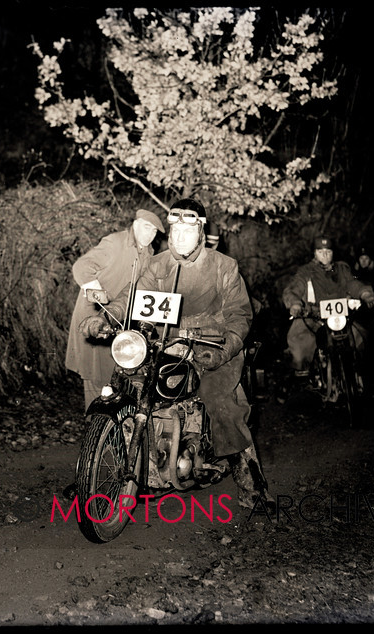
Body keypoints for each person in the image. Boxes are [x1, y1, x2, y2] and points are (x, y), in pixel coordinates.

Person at [80, 198, 274, 511]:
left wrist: (226, 348)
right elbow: (131, 299)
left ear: (200, 231)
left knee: (222, 403)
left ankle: (253, 490)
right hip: (167, 345)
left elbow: (240, 314)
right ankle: (120, 474)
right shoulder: (156, 265)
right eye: (175, 229)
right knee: (130, 382)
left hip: (213, 346)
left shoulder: (223, 266)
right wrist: (105, 318)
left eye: (188, 229)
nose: (180, 236)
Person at [65, 208, 165, 411]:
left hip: (120, 321)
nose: (151, 234)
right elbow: (82, 266)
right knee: (95, 380)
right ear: (135, 225)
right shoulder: (115, 242)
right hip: (95, 318)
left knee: (115, 377)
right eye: (147, 227)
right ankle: (96, 432)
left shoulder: (148, 253)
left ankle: (113, 434)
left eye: (154, 231)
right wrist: (97, 291)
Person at [282, 235, 374, 383]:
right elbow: (294, 289)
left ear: (333, 253)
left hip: (340, 316)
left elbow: (353, 284)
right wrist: (295, 303)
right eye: (321, 252)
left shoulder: (342, 268)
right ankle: (303, 373)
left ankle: (358, 371)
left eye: (328, 251)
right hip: (315, 316)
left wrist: (366, 294)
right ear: (315, 253)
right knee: (299, 339)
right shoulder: (306, 271)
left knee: (361, 336)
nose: (325, 255)